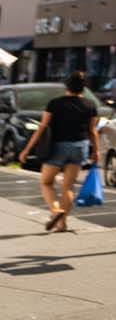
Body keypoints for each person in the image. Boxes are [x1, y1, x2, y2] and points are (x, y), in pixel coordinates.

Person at [18, 70, 100, 233]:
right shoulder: (91, 106)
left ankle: (56, 212)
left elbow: (42, 127)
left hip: (58, 147)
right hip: (79, 147)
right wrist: (96, 151)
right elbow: (92, 131)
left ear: (66, 86)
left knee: (46, 182)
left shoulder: (55, 103)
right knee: (68, 188)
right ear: (83, 88)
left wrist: (26, 150)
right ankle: (62, 224)